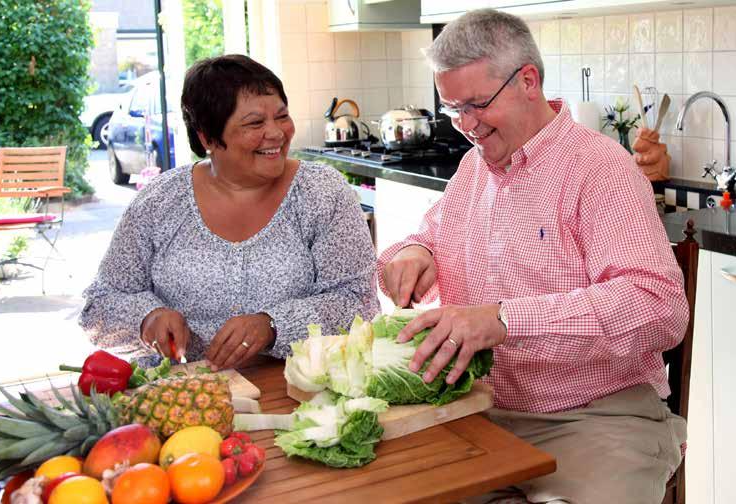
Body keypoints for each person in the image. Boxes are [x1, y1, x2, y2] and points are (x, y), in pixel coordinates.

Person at [378, 9, 688, 504]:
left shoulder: (601, 169)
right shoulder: (472, 170)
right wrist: (413, 252)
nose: (466, 126)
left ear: (528, 81)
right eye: (454, 109)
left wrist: (505, 320)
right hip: (478, 414)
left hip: (594, 418)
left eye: (477, 104)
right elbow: (424, 238)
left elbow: (659, 309)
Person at [81, 54, 378, 370]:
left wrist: (274, 327)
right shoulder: (159, 202)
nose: (277, 133)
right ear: (207, 137)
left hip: (297, 390)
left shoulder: (322, 192)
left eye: (282, 116)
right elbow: (98, 307)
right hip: (182, 395)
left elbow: (358, 304)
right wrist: (147, 318)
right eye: (254, 123)